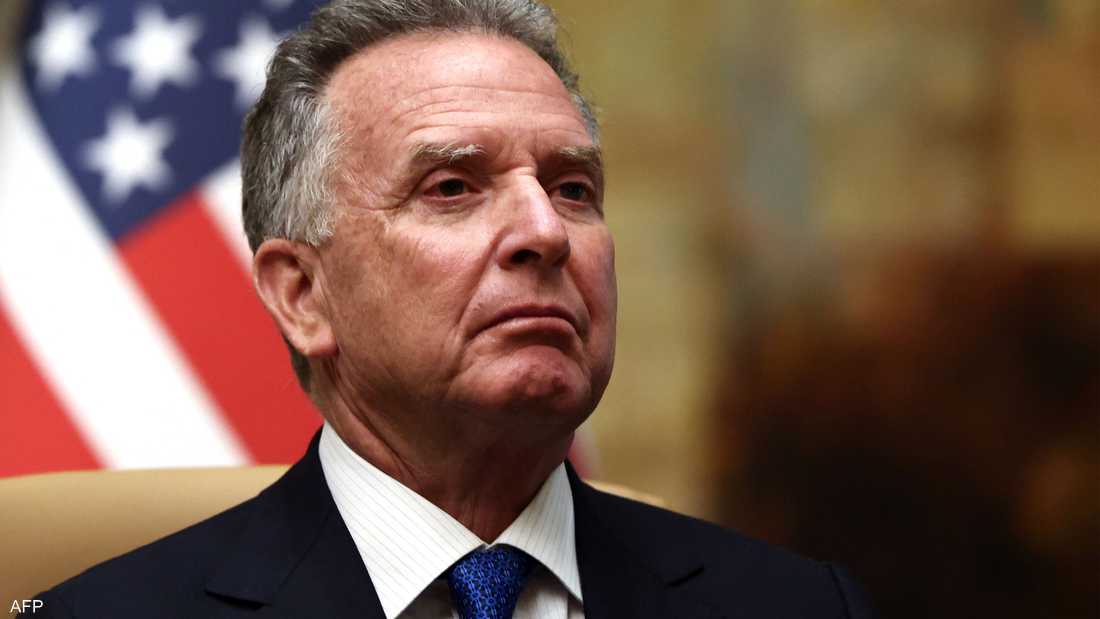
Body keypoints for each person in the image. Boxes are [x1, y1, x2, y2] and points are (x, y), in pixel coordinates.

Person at [27, 1, 876, 617]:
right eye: (452, 187)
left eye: (573, 188)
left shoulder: (801, 605)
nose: (545, 231)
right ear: (302, 293)